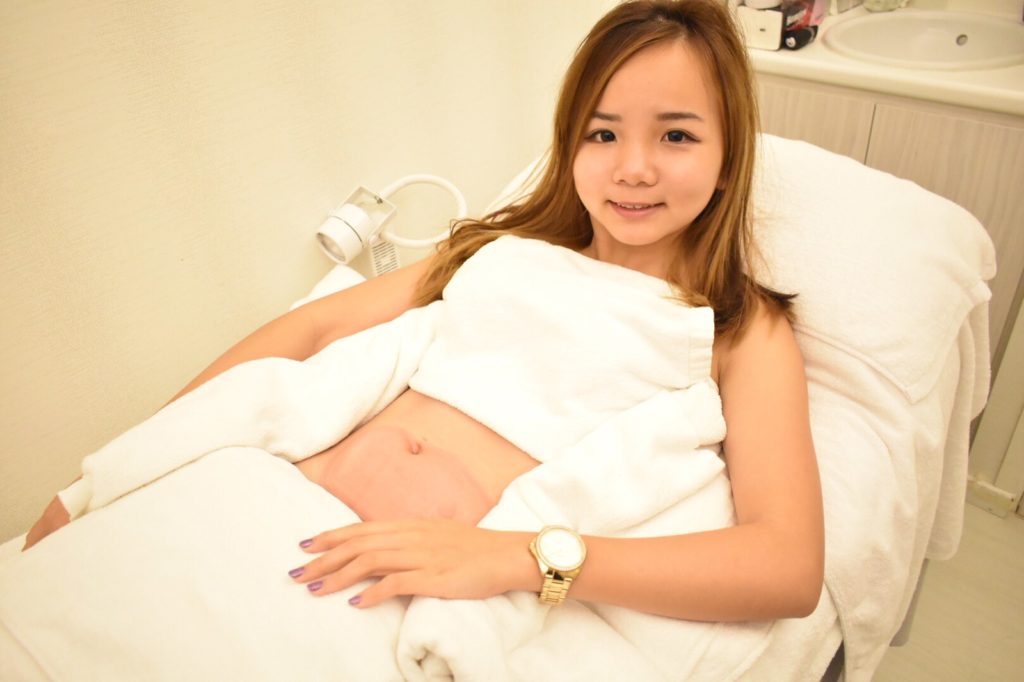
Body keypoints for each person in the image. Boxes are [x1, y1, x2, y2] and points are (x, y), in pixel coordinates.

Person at [25, 0, 823, 625]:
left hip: (392, 590)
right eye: (602, 133)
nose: (634, 167)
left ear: (729, 158)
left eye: (676, 136)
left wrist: (518, 559)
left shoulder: (734, 325)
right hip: (269, 508)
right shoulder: (501, 250)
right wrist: (117, 467)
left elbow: (786, 567)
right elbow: (313, 328)